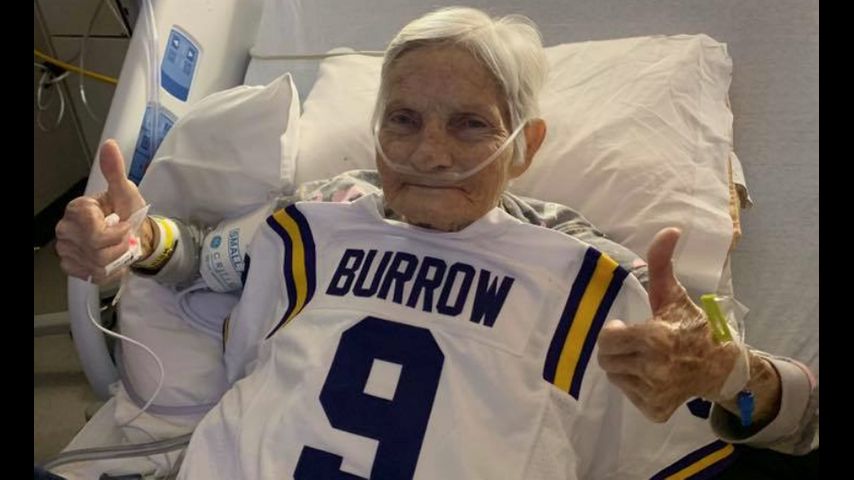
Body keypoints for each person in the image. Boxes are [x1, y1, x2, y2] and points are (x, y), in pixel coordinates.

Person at [54, 7, 816, 478]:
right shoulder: (324, 209)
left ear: (525, 145)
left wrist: (729, 373)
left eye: (471, 124)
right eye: (404, 120)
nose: (429, 154)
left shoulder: (591, 269)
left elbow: (798, 417)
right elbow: (205, 256)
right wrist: (134, 241)